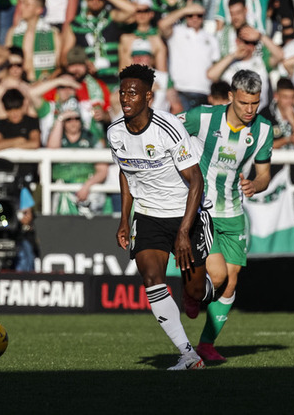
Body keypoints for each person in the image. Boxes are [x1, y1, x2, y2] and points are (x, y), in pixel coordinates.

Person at [110, 63, 212, 371]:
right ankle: (188, 354)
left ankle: (208, 287)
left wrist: (183, 232)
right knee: (152, 279)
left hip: (185, 214)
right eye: (122, 92)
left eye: (133, 92)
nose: (125, 98)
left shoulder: (168, 128)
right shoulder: (114, 132)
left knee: (194, 291)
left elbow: (196, 180)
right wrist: (125, 219)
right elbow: (125, 172)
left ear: (148, 96)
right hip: (149, 215)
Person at [181, 69, 272, 362]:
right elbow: (171, 131)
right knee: (218, 276)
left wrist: (255, 184)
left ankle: (206, 344)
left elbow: (264, 175)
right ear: (231, 96)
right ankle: (192, 292)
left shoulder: (263, 130)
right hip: (204, 210)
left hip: (234, 212)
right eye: (244, 103)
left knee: (231, 281)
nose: (250, 110)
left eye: (255, 104)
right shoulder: (203, 117)